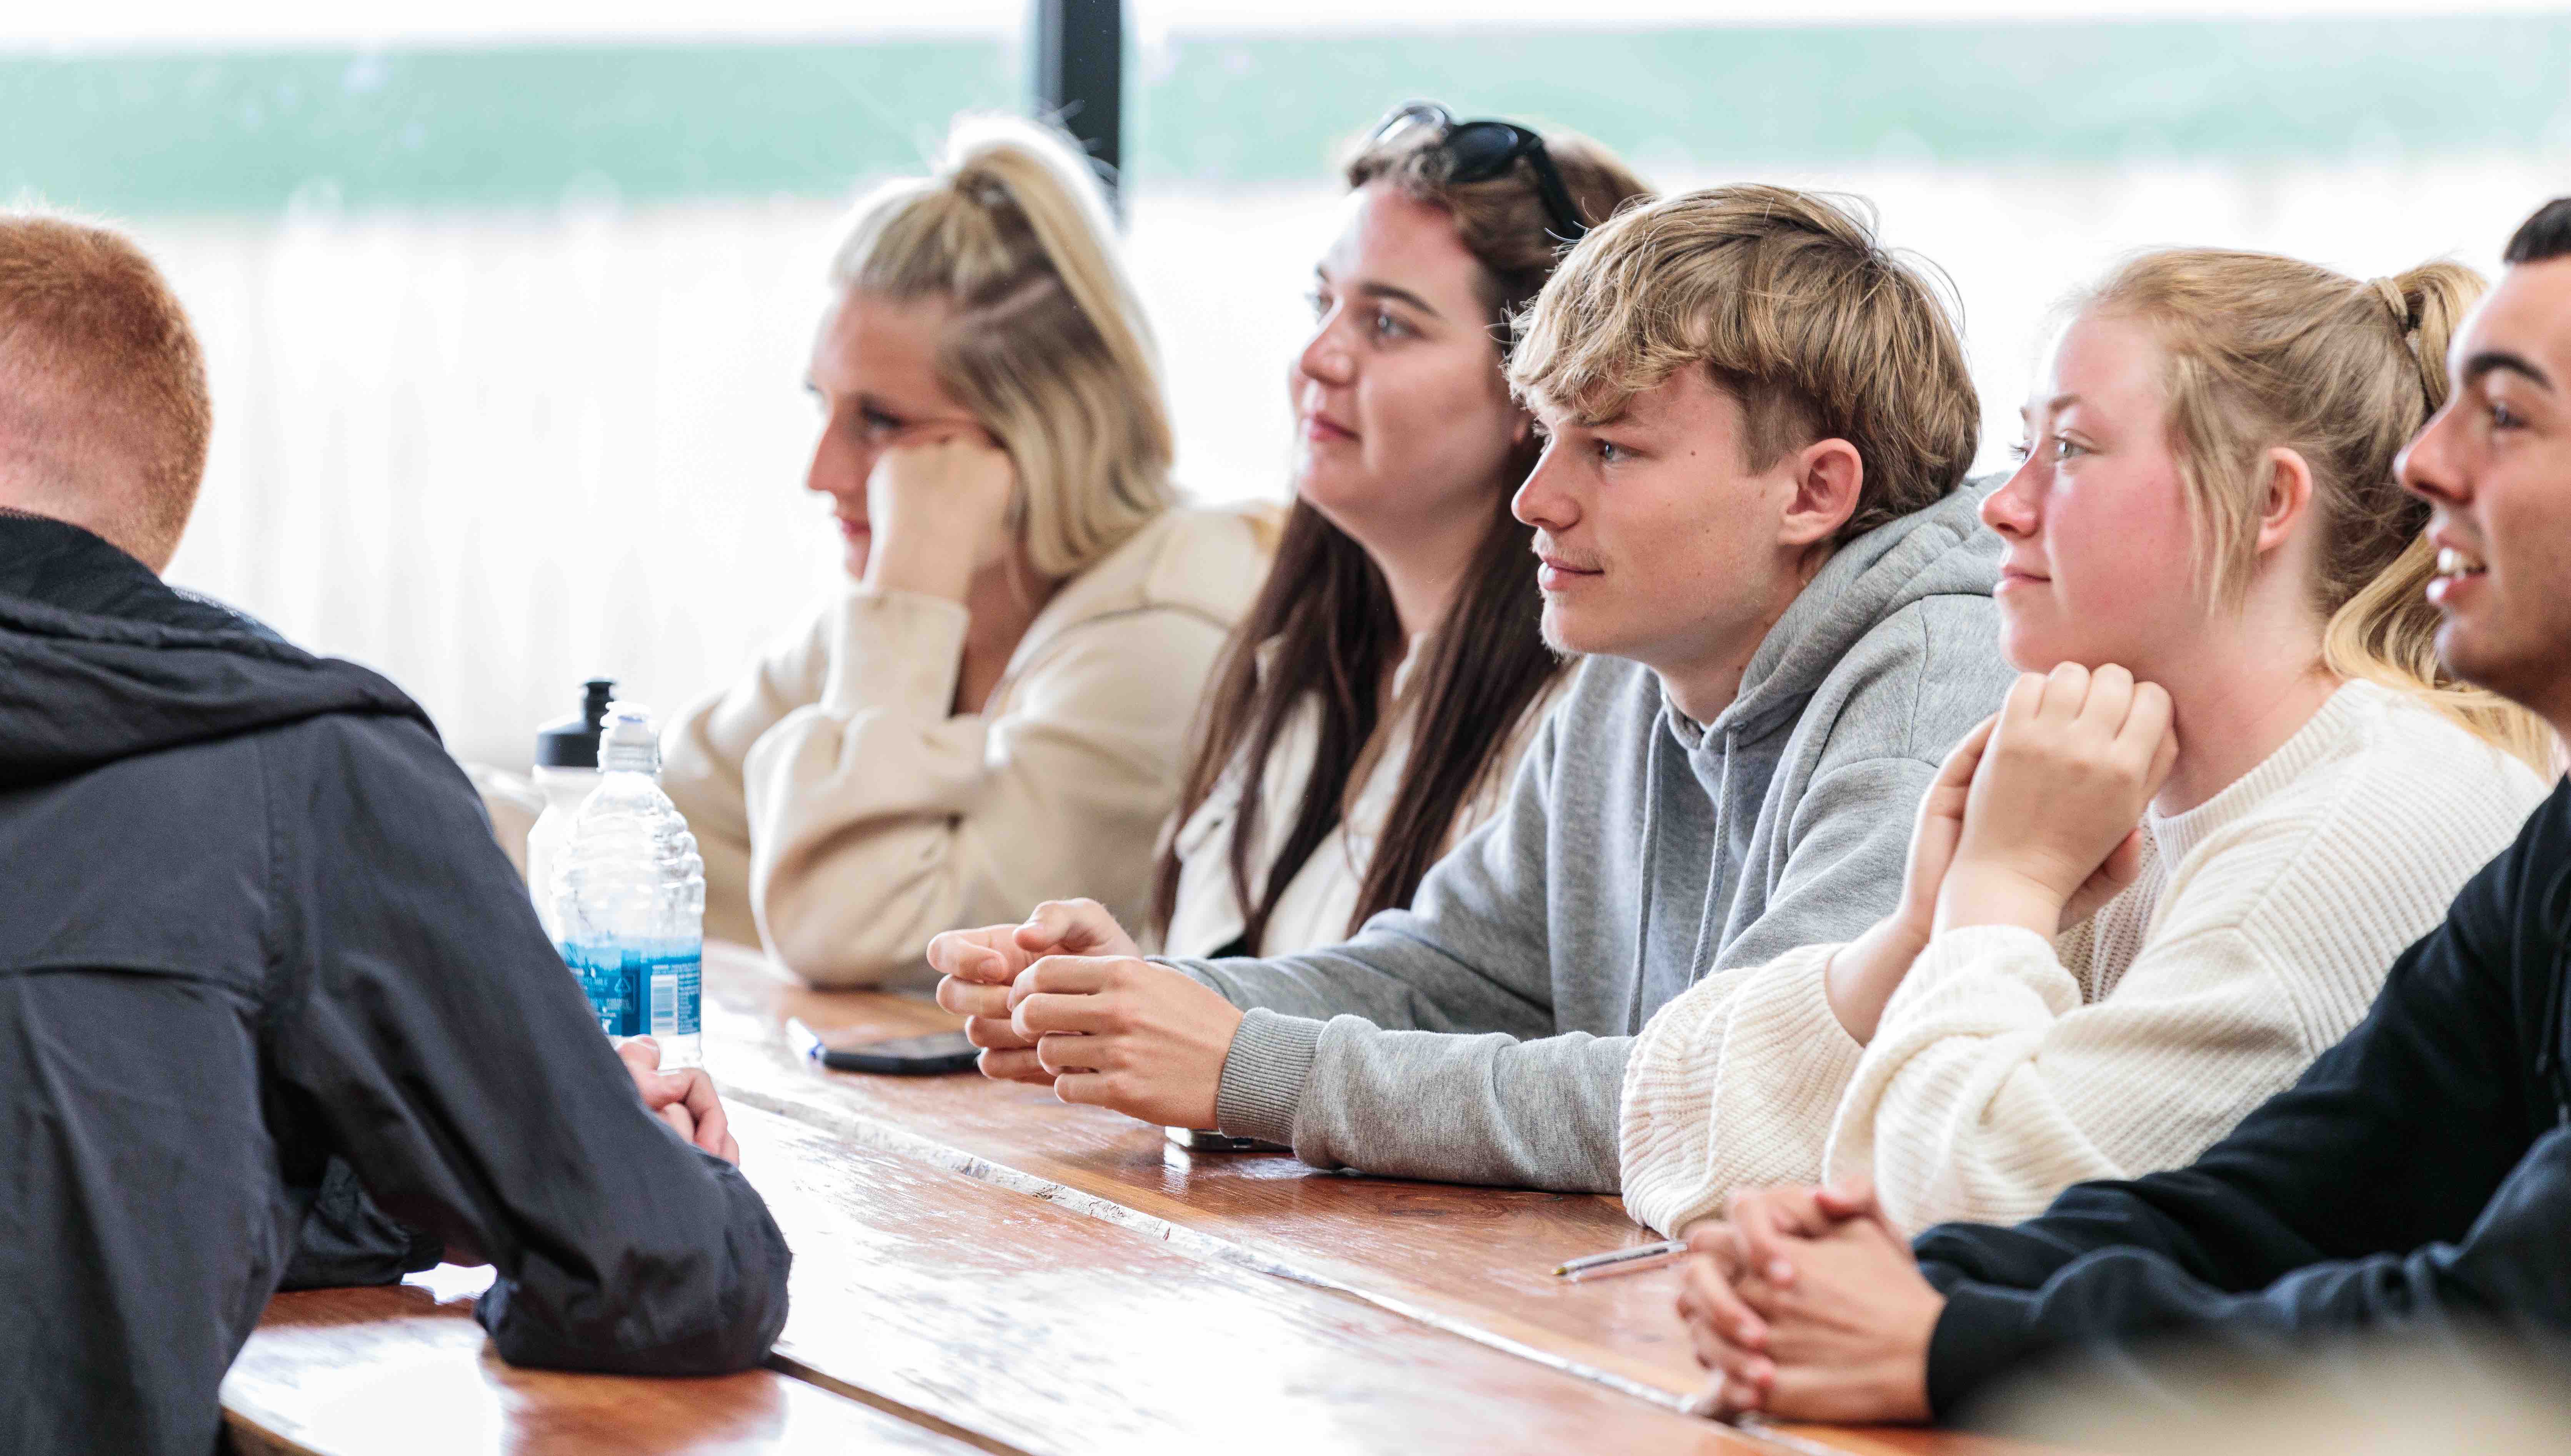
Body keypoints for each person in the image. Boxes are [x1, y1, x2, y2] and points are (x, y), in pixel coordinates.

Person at [1670, 197, 2571, 1426]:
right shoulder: (2529, 856)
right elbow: (2268, 1202)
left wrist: (2000, 901)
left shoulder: (2368, 819)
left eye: (2073, 450)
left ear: (2265, 505)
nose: (2001, 503)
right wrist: (1919, 942)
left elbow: (2504, 1318)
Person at [929, 182, 2018, 1191]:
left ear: (1812, 490)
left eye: (1611, 451)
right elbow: (1447, 977)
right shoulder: (1637, 659)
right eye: (1546, 436)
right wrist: (1153, 1008)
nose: (1533, 500)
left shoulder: (1925, 700)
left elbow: (1743, 1100)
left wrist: (1251, 1067)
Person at [0, 215, 790, 1456]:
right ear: (154, 513)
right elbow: (656, 1272)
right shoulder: (290, 758)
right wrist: (584, 1153)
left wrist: (436, 1171)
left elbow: (81, 1177)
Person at [660, 116, 1271, 985]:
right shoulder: (905, 612)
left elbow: (859, 939)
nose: (821, 472)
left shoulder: (1163, 632)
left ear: (1038, 441)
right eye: (823, 408)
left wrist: (907, 603)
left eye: (879, 424)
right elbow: (635, 836)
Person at [1157, 105, 1646, 960]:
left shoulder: (1585, 726)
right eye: (1322, 302)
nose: (1316, 358)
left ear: (1542, 392)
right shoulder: (1303, 658)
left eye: (1386, 325)